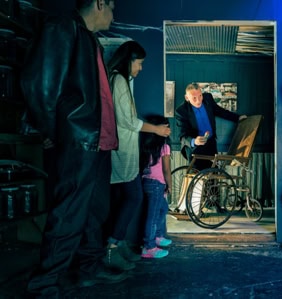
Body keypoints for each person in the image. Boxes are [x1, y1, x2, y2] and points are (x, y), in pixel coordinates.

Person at [20, 1, 128, 297]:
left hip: (97, 142)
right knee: (69, 212)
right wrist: (54, 131)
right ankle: (44, 284)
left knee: (94, 212)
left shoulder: (87, 38)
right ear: (99, 3)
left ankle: (88, 270)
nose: (114, 15)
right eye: (112, 8)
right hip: (78, 139)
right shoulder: (62, 27)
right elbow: (39, 85)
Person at [103, 40, 171, 271]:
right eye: (139, 63)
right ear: (128, 60)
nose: (140, 68)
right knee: (133, 197)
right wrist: (157, 129)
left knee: (125, 198)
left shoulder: (120, 79)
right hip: (121, 151)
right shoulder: (119, 80)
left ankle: (116, 244)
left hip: (122, 150)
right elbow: (128, 121)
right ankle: (112, 247)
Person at [175, 82, 247, 170]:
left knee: (213, 175)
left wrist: (238, 117)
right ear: (187, 98)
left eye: (200, 96)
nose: (198, 100)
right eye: (194, 98)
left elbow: (220, 111)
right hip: (195, 149)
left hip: (211, 144)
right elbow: (182, 136)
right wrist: (194, 141)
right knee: (198, 178)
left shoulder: (208, 98)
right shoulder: (181, 111)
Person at [140, 115, 173, 258]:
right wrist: (169, 185)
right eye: (166, 126)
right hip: (157, 184)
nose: (169, 129)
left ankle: (158, 236)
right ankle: (149, 246)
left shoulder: (145, 145)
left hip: (146, 182)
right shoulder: (164, 147)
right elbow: (166, 170)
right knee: (152, 216)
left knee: (163, 208)